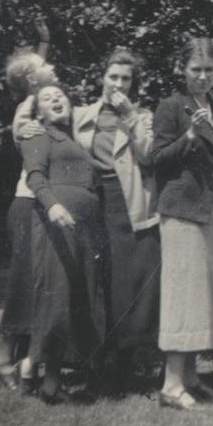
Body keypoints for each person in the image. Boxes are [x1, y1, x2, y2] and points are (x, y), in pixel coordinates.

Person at [151, 37, 213, 411]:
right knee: (183, 299)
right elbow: (156, 158)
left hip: (211, 212)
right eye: (196, 70)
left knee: (200, 299)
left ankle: (189, 377)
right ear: (181, 70)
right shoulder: (171, 107)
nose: (203, 77)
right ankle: (171, 385)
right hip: (183, 211)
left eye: (209, 71)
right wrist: (188, 136)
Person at [72, 47, 160, 393]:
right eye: (113, 77)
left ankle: (123, 368)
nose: (119, 84)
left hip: (129, 204)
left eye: (126, 79)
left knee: (131, 287)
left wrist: (131, 116)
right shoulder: (80, 115)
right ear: (102, 78)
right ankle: (94, 367)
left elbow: (149, 156)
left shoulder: (143, 116)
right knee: (96, 285)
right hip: (93, 204)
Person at [20, 84, 106, 404]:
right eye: (47, 97)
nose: (56, 99)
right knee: (58, 298)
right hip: (57, 224)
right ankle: (49, 384)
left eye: (60, 95)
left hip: (84, 227)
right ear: (38, 112)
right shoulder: (37, 134)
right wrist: (53, 206)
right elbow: (35, 177)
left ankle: (39, 373)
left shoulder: (74, 140)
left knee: (78, 299)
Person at [0, 44, 56, 394]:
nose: (53, 66)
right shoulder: (28, 109)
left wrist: (42, 42)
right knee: (23, 284)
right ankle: (2, 361)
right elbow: (25, 139)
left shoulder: (39, 101)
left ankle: (24, 362)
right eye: (46, 64)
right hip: (30, 204)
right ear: (32, 79)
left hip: (39, 205)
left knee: (36, 284)